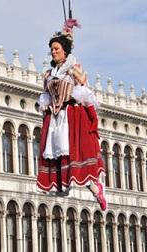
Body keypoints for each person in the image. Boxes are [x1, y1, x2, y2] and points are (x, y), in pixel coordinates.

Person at [36, 19, 107, 210]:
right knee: (57, 155)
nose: (53, 52)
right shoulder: (49, 74)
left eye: (57, 48)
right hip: (56, 118)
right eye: (52, 49)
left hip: (70, 116)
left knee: (74, 157)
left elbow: (83, 90)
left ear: (65, 50)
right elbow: (45, 96)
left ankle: (96, 188)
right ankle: (63, 185)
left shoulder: (74, 68)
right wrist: (46, 106)